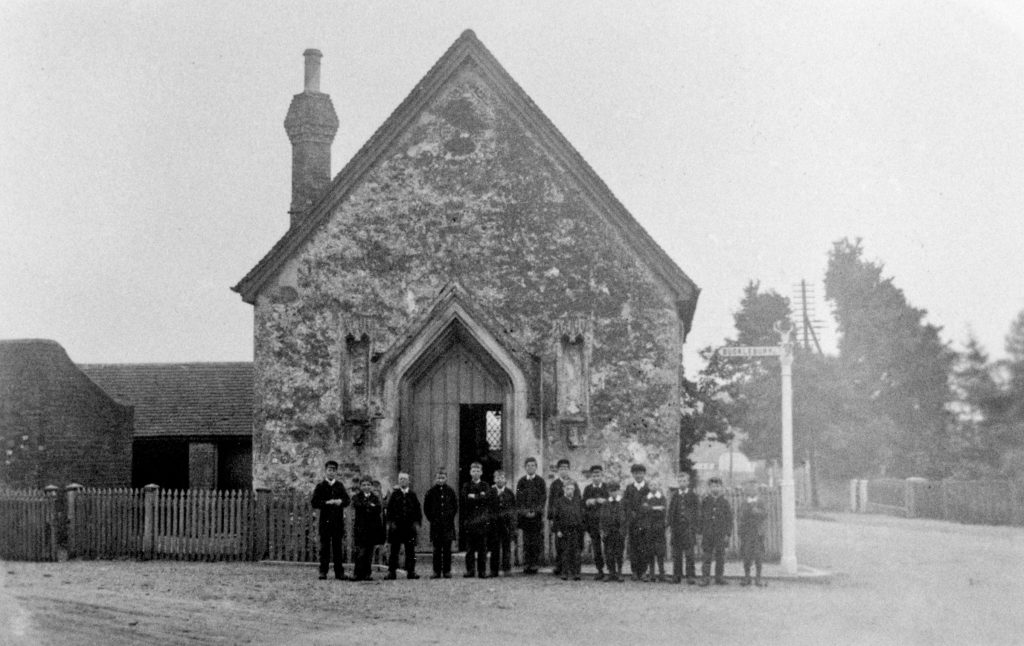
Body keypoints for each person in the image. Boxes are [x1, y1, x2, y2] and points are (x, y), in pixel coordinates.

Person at [310, 460, 351, 580]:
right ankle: (323, 571)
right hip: (325, 522)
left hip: (337, 522)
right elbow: (314, 502)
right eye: (329, 470)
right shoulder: (321, 486)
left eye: (333, 470)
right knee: (325, 548)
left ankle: (339, 572)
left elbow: (347, 500)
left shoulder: (339, 486)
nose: (331, 472)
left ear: (336, 472)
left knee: (338, 547)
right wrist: (326, 503)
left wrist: (340, 502)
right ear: (325, 471)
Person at [385, 472, 423, 580]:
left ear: (408, 481)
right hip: (396, 527)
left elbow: (417, 510)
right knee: (394, 551)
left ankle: (411, 571)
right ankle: (392, 572)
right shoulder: (394, 495)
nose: (403, 481)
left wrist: (416, 523)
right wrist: (391, 523)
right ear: (398, 481)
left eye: (405, 479)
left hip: (409, 527)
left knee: (410, 551)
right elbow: (389, 510)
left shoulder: (412, 495)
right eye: (401, 479)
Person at [423, 468, 458, 579]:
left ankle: (447, 571)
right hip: (436, 525)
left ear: (446, 478)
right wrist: (433, 519)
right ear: (435, 479)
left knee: (447, 549)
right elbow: (426, 508)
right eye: (438, 478)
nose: (440, 480)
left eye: (443, 478)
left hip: (448, 525)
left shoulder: (450, 491)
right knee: (437, 549)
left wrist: (449, 517)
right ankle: (436, 571)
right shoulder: (431, 492)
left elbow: (454, 506)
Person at [699, 477, 733, 586]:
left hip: (720, 534)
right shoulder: (705, 501)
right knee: (706, 557)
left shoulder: (725, 502)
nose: (715, 488)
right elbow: (701, 517)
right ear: (709, 488)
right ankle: (705, 578)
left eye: (717, 486)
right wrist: (700, 532)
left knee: (720, 557)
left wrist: (728, 534)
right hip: (707, 534)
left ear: (721, 487)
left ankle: (719, 577)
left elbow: (729, 519)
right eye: (713, 486)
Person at [668, 472, 701, 584]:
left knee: (689, 554)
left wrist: (695, 527)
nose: (682, 483)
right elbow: (671, 510)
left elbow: (697, 512)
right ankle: (677, 575)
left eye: (684, 481)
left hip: (688, 528)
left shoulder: (693, 496)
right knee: (677, 553)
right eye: (680, 481)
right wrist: (670, 524)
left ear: (688, 482)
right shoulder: (675, 496)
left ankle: (690, 575)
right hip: (677, 528)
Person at [547, 459, 578, 576]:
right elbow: (551, 502)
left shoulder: (573, 483)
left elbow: (577, 499)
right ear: (558, 470)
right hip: (559, 519)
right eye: (561, 468)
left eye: (566, 468)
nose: (564, 470)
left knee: (571, 546)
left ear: (569, 470)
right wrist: (551, 518)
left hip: (571, 518)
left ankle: (570, 567)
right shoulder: (554, 484)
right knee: (559, 544)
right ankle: (559, 566)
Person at [516, 457, 546, 574]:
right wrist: (525, 512)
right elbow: (519, 498)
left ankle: (534, 564)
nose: (530, 467)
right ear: (525, 467)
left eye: (533, 465)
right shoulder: (521, 482)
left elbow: (543, 498)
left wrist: (535, 511)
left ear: (536, 467)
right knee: (526, 541)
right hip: (525, 518)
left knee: (535, 540)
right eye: (528, 465)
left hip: (536, 517)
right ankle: (527, 564)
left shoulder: (540, 481)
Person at [351, 475, 385, 581]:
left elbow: (378, 509)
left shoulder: (375, 498)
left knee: (369, 553)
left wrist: (368, 506)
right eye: (364, 485)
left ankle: (367, 573)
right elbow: (358, 506)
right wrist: (370, 506)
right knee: (360, 552)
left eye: (368, 485)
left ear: (371, 486)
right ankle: (357, 574)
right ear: (360, 486)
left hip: (371, 529)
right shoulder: (356, 497)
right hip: (361, 529)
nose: (366, 487)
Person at [461, 461, 491, 577]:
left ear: (481, 472)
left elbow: (487, 498)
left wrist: (473, 496)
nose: (476, 473)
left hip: (482, 521)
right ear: (470, 472)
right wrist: (480, 496)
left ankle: (482, 571)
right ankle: (470, 570)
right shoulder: (466, 486)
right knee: (470, 548)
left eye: (478, 471)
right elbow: (465, 499)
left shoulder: (485, 485)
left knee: (482, 548)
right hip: (470, 521)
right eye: (473, 471)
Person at [551, 478, 584, 580]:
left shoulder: (577, 501)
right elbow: (556, 518)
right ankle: (564, 572)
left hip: (576, 530)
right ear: (564, 489)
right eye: (568, 489)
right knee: (565, 552)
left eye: (572, 489)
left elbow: (581, 515)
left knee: (576, 552)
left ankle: (576, 573)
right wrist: (558, 530)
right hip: (564, 530)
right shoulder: (559, 502)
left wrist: (581, 528)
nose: (570, 491)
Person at [622, 463, 650, 580]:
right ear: (633, 474)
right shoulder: (629, 488)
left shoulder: (648, 488)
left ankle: (643, 572)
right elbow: (625, 504)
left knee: (644, 547)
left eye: (640, 473)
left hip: (645, 522)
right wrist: (630, 514)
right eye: (636, 473)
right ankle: (634, 571)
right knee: (633, 547)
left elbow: (651, 503)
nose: (638, 476)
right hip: (633, 522)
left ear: (644, 474)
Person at [738, 479, 768, 587]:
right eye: (749, 487)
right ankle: (747, 577)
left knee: (758, 556)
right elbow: (740, 515)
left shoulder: (761, 501)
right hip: (747, 533)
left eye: (754, 487)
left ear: (757, 489)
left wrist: (757, 512)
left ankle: (758, 578)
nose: (752, 489)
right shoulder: (744, 502)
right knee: (746, 555)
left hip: (758, 533)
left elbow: (765, 513)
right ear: (746, 489)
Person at [582, 465, 609, 580]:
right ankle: (600, 570)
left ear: (602, 475)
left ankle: (611, 570)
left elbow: (613, 501)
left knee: (608, 546)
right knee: (596, 546)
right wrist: (589, 501)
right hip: (592, 521)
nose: (596, 478)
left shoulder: (607, 487)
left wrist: (605, 501)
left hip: (606, 521)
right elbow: (583, 503)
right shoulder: (588, 489)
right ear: (591, 476)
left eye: (598, 475)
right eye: (594, 476)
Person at [488, 469, 517, 577]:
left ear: (505, 480)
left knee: (506, 547)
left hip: (506, 524)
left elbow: (513, 509)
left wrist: (512, 524)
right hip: (494, 524)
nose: (500, 480)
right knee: (494, 547)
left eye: (502, 478)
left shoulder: (509, 493)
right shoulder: (490, 492)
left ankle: (506, 568)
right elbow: (487, 508)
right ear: (494, 479)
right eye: (497, 478)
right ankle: (494, 570)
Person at [639, 480, 668, 582]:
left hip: (659, 528)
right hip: (649, 528)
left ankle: (662, 573)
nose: (653, 486)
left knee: (660, 551)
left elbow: (663, 511)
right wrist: (656, 508)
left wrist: (650, 509)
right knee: (650, 551)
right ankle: (652, 574)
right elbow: (643, 510)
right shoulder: (645, 498)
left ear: (658, 486)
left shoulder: (662, 498)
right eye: (651, 485)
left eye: (655, 484)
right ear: (649, 487)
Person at [600, 480, 626, 582]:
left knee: (619, 553)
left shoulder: (623, 502)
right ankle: (611, 572)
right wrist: (603, 531)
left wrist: (623, 531)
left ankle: (619, 572)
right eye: (611, 491)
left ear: (619, 491)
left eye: (615, 490)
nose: (613, 493)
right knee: (609, 553)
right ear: (608, 492)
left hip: (619, 531)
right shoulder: (606, 503)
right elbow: (602, 518)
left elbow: (627, 518)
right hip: (609, 532)